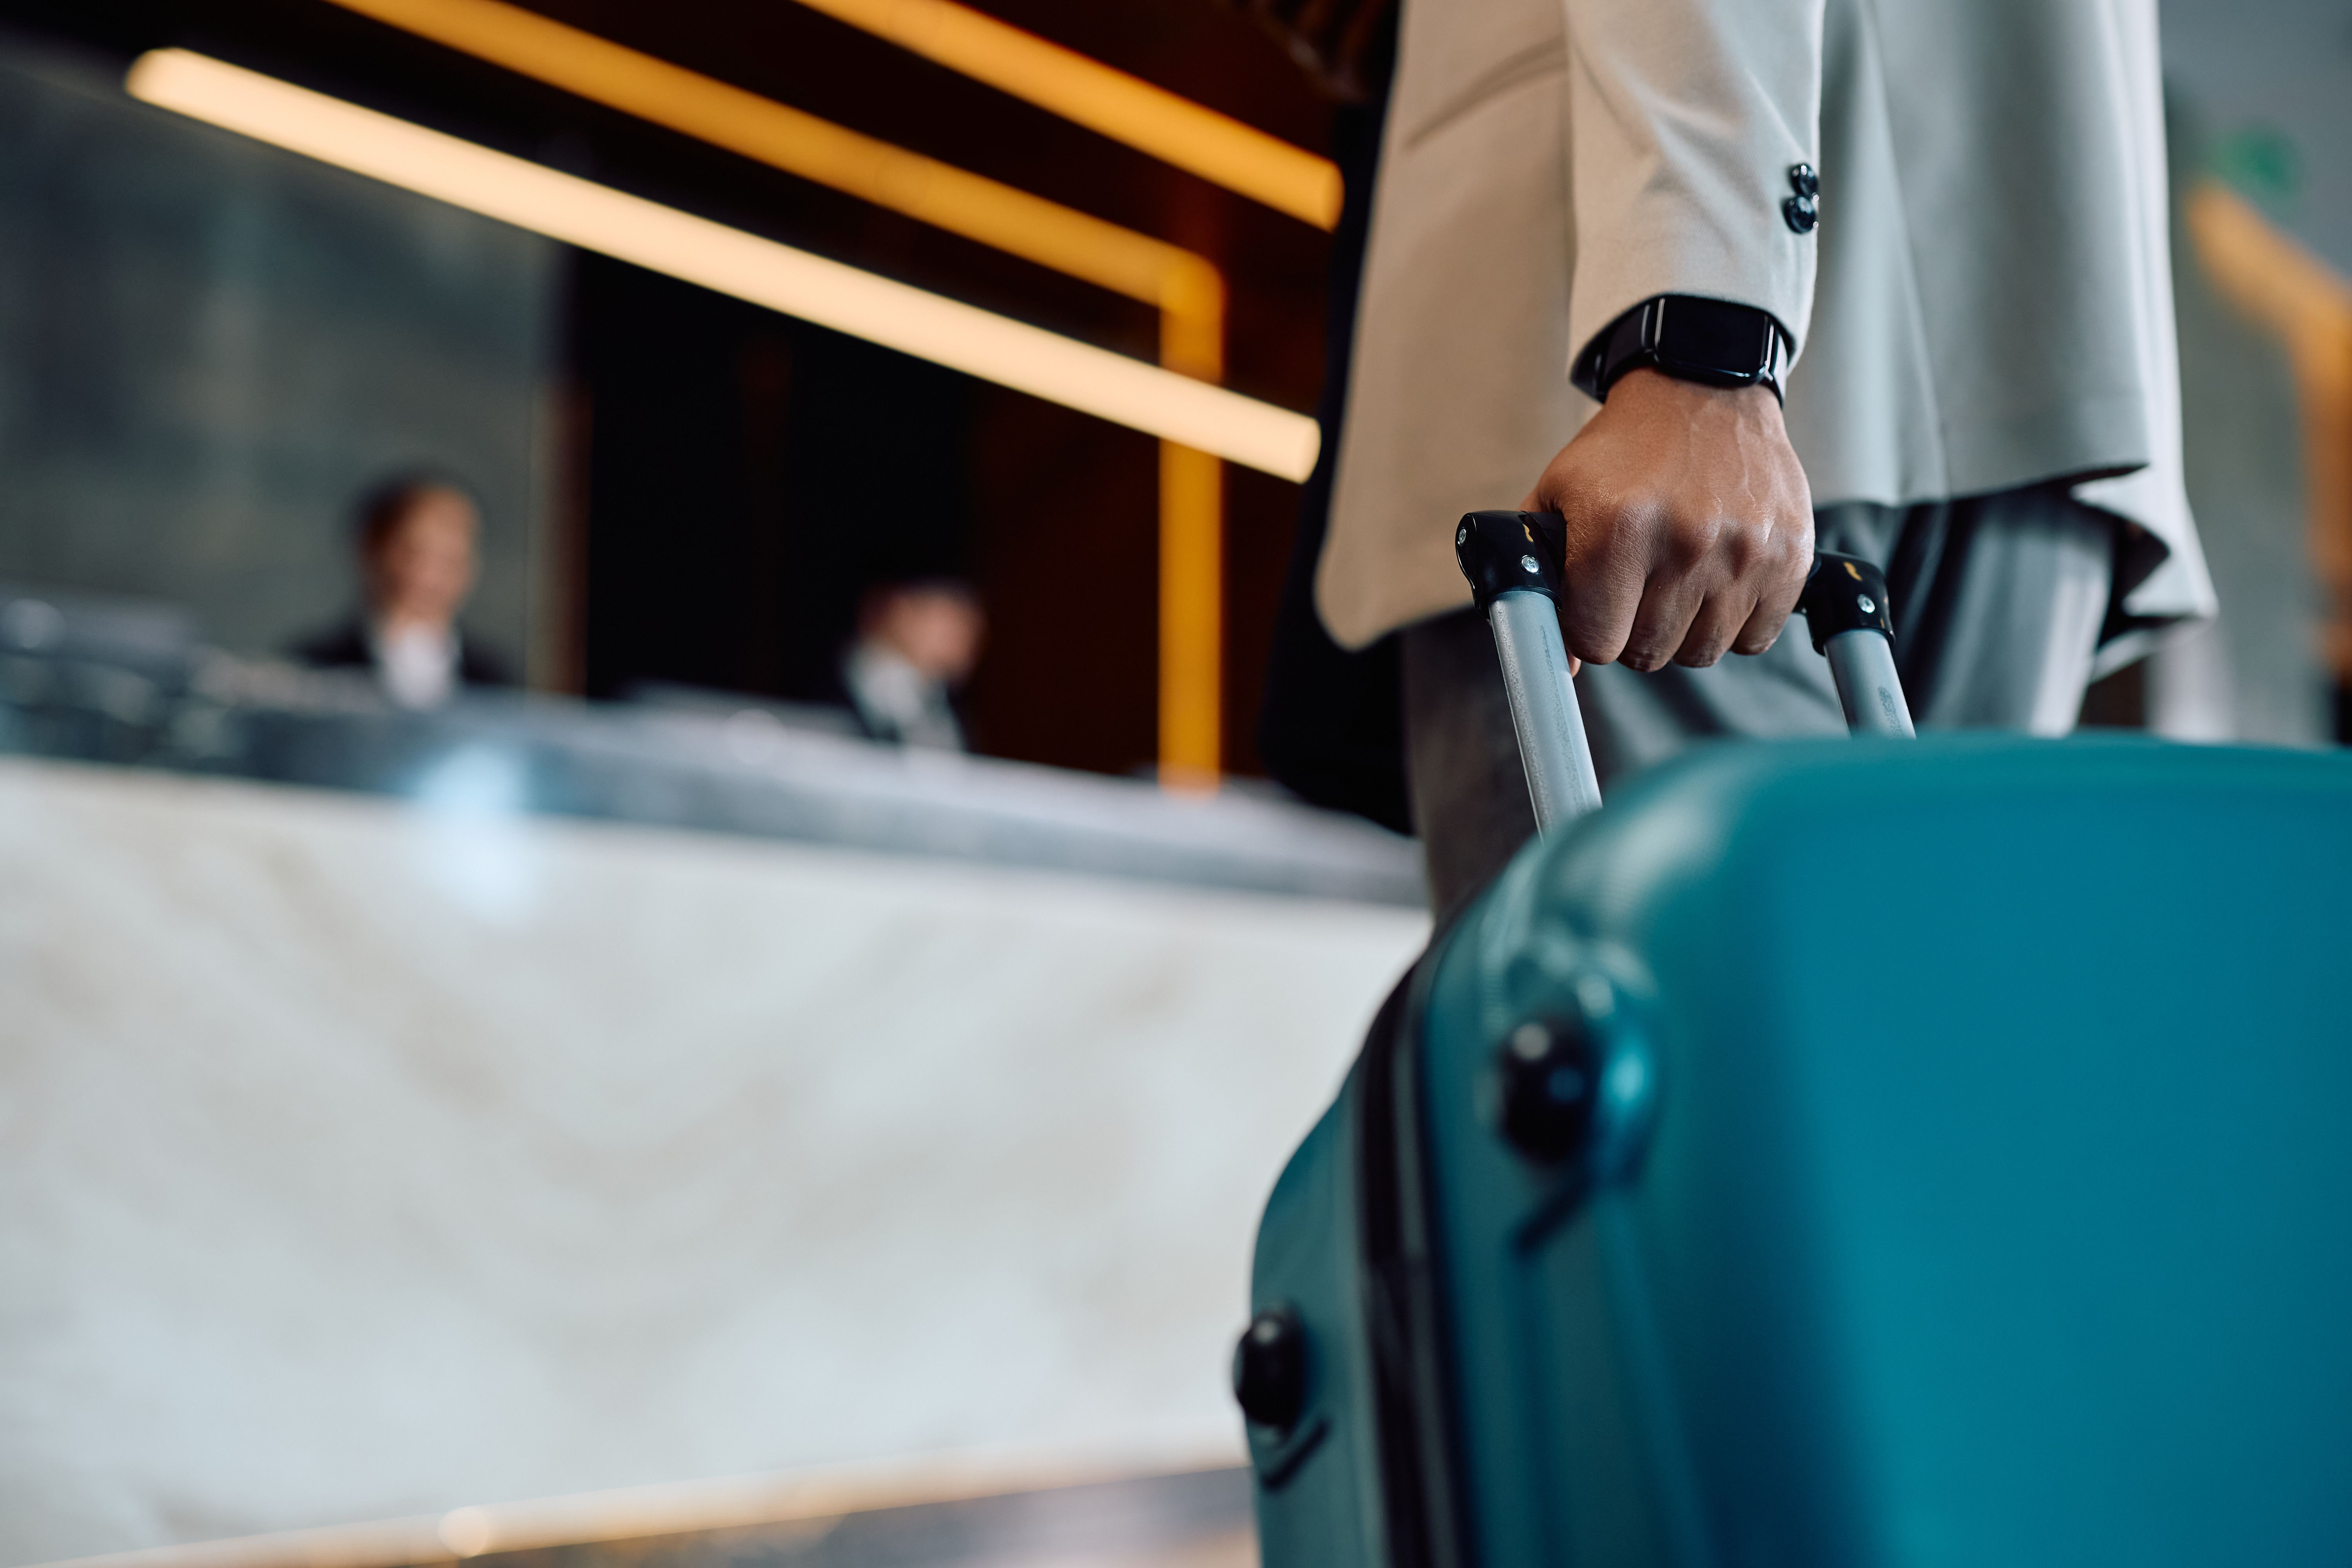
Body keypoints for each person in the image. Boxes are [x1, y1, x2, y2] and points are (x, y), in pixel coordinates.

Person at [1254, 0, 2216, 916]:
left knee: (1691, 1048)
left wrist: (1698, 330)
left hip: (1625, 363)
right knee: (1924, 1037)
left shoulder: (1685, 355)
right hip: (2035, 354)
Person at [292, 475, 512, 708]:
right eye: (414, 552)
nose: (429, 575)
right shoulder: (313, 672)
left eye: (450, 558)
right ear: (372, 550)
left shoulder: (494, 683)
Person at [838, 578, 985, 750]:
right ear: (901, 611)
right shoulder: (844, 686)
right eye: (953, 622)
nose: (967, 640)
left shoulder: (945, 704)